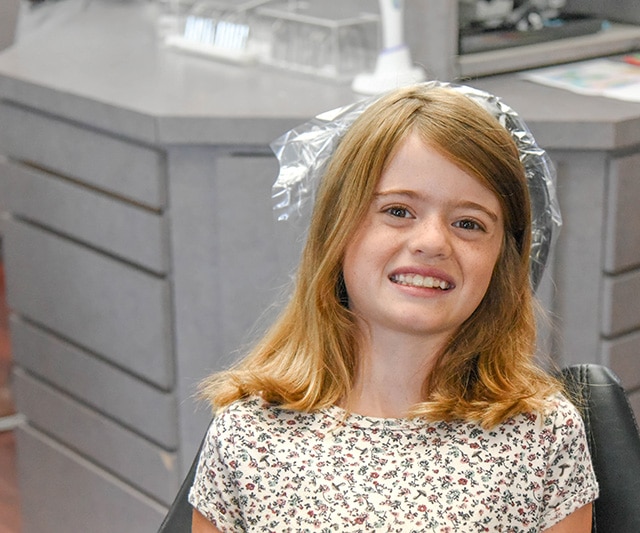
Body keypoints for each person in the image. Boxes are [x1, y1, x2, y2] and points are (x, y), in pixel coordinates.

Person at [189, 83, 599, 532]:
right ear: (336, 228)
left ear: (503, 260)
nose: (432, 243)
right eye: (399, 211)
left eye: (469, 223)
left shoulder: (542, 437)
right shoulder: (248, 435)